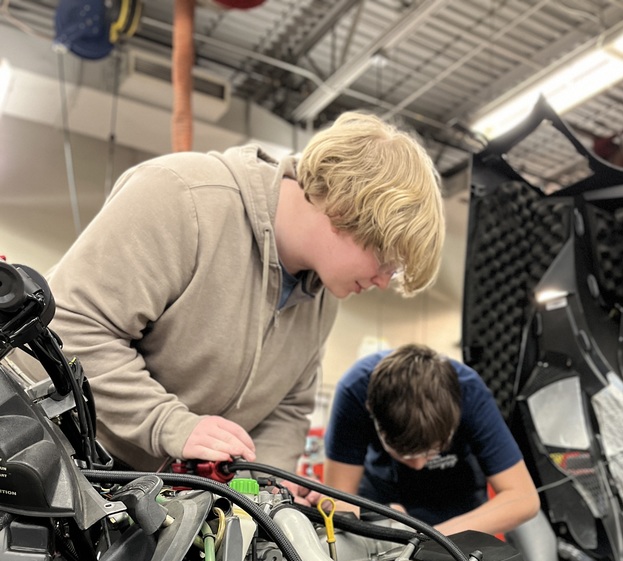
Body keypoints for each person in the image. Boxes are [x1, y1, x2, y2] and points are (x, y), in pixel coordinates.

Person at [10, 112, 445, 473]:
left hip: (151, 498)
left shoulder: (322, 293)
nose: (384, 281)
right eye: (386, 259)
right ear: (345, 210)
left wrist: (263, 487)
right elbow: (67, 329)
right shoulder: (182, 197)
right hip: (50, 460)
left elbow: (289, 407)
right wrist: (169, 424)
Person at [322, 344, 540, 536]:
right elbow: (338, 502)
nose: (418, 465)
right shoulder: (355, 390)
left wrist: (430, 538)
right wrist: (377, 521)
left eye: (431, 452)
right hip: (383, 504)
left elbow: (524, 499)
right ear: (372, 414)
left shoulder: (470, 392)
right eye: (403, 453)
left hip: (459, 507)